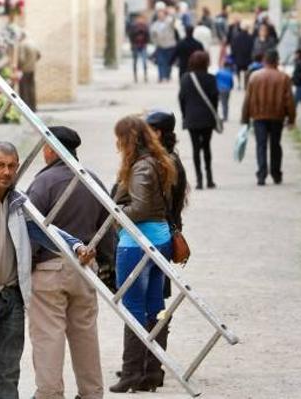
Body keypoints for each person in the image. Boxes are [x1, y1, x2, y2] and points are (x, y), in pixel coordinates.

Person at [0, 142, 95, 399]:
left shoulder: (18, 202)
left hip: (11, 298)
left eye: (12, 166)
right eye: (0, 165)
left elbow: (47, 230)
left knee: (7, 371)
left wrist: (77, 246)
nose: (6, 172)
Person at [26, 127, 113, 399]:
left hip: (49, 269)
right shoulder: (93, 180)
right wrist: (108, 267)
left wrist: (25, 267)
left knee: (48, 336)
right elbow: (108, 228)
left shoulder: (43, 183)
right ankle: (91, 392)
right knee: (85, 334)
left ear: (51, 149)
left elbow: (28, 228)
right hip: (85, 267)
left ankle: (50, 394)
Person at [109, 115, 177, 394]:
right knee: (154, 307)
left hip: (138, 242)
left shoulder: (140, 168)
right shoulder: (159, 161)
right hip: (160, 238)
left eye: (119, 139)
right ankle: (152, 369)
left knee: (133, 308)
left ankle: (131, 373)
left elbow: (140, 208)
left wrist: (115, 213)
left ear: (129, 140)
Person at [140, 110, 188, 391]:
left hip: (157, 236)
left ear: (158, 133)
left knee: (153, 303)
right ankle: (148, 362)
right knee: (152, 301)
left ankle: (152, 364)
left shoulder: (165, 163)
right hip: (162, 235)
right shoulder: (168, 161)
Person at [241, 50, 297, 186]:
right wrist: (291, 119)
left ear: (264, 61)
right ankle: (276, 174)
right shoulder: (284, 77)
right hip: (277, 116)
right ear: (277, 61)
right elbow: (289, 100)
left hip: (258, 116)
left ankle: (261, 174)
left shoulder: (254, 77)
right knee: (275, 145)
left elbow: (247, 99)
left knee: (261, 145)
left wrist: (245, 118)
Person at [178, 51, 219, 189]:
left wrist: (185, 115)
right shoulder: (211, 78)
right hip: (207, 118)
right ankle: (209, 179)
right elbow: (215, 99)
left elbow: (181, 99)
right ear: (206, 62)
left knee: (195, 148)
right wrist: (215, 114)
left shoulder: (185, 78)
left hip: (192, 119)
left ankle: (199, 180)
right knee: (207, 147)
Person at [150, 9, 177, 83]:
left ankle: (167, 75)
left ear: (165, 16)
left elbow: (173, 21)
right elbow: (152, 35)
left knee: (169, 62)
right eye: (159, 15)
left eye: (162, 15)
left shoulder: (168, 22)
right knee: (160, 62)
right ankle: (161, 76)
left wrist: (172, 14)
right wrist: (155, 42)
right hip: (160, 46)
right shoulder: (155, 24)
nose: (160, 16)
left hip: (170, 45)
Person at [17, 34, 41, 111]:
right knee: (31, 88)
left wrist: (19, 66)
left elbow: (21, 58)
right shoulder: (32, 43)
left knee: (24, 89)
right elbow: (39, 55)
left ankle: (25, 108)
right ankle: (33, 107)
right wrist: (33, 62)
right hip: (32, 68)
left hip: (24, 70)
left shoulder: (22, 45)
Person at [229, 22, 255, 90]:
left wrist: (233, 56)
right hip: (247, 59)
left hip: (238, 58)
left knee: (238, 71)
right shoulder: (250, 38)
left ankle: (239, 84)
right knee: (247, 72)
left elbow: (233, 48)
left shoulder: (236, 37)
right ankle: (246, 84)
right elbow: (252, 48)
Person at [127, 13, 150, 83]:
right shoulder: (133, 27)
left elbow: (148, 36)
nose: (140, 20)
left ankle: (145, 75)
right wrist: (132, 45)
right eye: (139, 19)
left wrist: (146, 42)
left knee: (144, 62)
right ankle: (135, 76)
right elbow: (131, 36)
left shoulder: (145, 26)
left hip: (143, 46)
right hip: (135, 46)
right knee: (135, 62)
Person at [216, 58, 235, 122]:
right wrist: (231, 87)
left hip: (219, 89)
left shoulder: (219, 72)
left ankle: (218, 115)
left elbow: (215, 80)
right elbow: (231, 82)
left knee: (218, 103)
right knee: (225, 103)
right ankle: (225, 116)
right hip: (227, 90)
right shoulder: (230, 73)